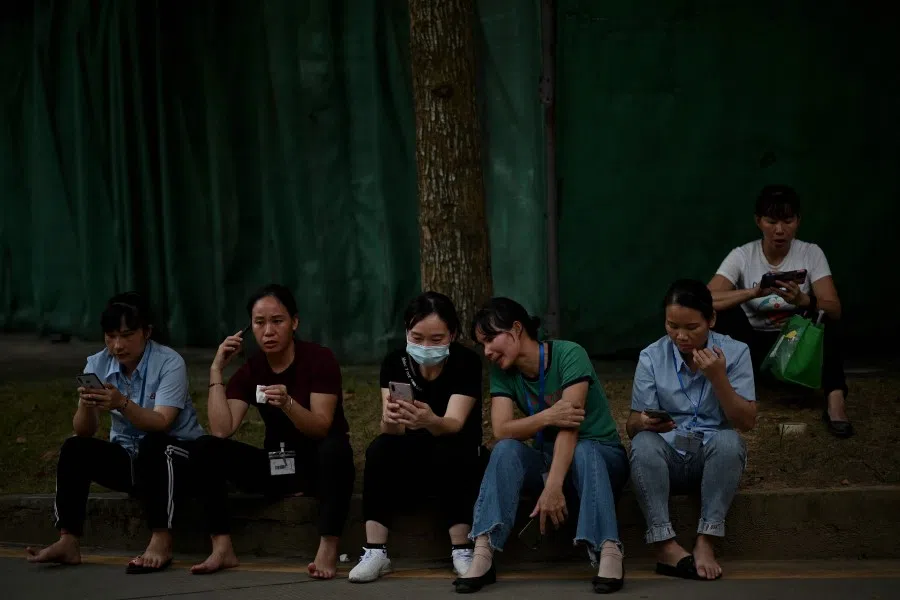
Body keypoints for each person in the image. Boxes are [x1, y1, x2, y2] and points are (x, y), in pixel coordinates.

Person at [454, 297, 629, 595]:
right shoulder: (503, 371)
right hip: (550, 459)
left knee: (586, 451)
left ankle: (609, 549)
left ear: (517, 329)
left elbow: (570, 426)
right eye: (482, 344)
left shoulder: (569, 354)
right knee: (505, 449)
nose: (487, 351)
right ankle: (483, 550)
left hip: (600, 457)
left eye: (491, 339)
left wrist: (553, 487)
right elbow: (502, 429)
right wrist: (548, 415)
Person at [25, 292, 205, 573]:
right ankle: (68, 540)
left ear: (146, 332)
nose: (117, 345)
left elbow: (162, 422)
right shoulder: (97, 364)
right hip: (133, 460)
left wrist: (122, 403)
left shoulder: (170, 362)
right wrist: (86, 404)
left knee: (155, 443)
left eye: (127, 335)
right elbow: (85, 430)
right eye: (110, 336)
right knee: (75, 447)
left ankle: (161, 538)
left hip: (179, 462)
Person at [189, 284, 354, 579]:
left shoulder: (319, 359)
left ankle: (328, 548)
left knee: (335, 448)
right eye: (259, 322)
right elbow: (222, 430)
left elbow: (321, 427)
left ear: (295, 322)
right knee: (205, 447)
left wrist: (289, 404)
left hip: (319, 466)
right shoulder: (253, 369)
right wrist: (216, 370)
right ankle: (222, 547)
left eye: (277, 321)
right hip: (279, 466)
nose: (268, 331)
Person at [348, 292, 486, 583]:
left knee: (450, 449)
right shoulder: (395, 362)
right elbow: (393, 430)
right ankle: (376, 551)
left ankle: (462, 548)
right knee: (379, 449)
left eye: (436, 339)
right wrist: (390, 420)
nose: (425, 346)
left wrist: (430, 420)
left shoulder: (466, 363)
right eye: (417, 337)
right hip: (412, 451)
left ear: (453, 335)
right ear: (407, 333)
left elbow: (454, 423)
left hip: (456, 447)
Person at [628, 279, 756, 581]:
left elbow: (747, 421)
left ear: (711, 320)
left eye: (692, 327)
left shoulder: (735, 353)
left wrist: (718, 378)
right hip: (667, 456)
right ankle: (664, 544)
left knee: (729, 441)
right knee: (643, 443)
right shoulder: (652, 356)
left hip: (710, 459)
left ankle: (706, 541)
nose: (681, 336)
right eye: (672, 326)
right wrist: (645, 422)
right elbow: (632, 425)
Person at [707, 184, 853, 438]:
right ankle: (729, 392)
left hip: (796, 346)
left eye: (787, 221)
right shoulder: (742, 255)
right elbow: (705, 300)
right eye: (771, 221)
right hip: (752, 346)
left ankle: (835, 402)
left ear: (798, 221)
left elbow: (835, 308)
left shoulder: (810, 253)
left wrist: (804, 300)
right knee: (721, 314)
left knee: (825, 316)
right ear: (758, 221)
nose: (779, 230)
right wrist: (752, 293)